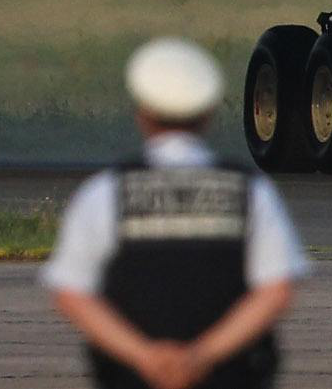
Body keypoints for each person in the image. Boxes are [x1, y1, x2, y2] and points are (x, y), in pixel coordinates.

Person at [43, 36, 306, 389]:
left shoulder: (106, 193)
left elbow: (71, 292)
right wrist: (201, 356)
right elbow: (276, 290)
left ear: (142, 114)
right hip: (229, 375)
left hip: (132, 376)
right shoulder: (250, 191)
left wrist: (145, 357)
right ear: (210, 113)